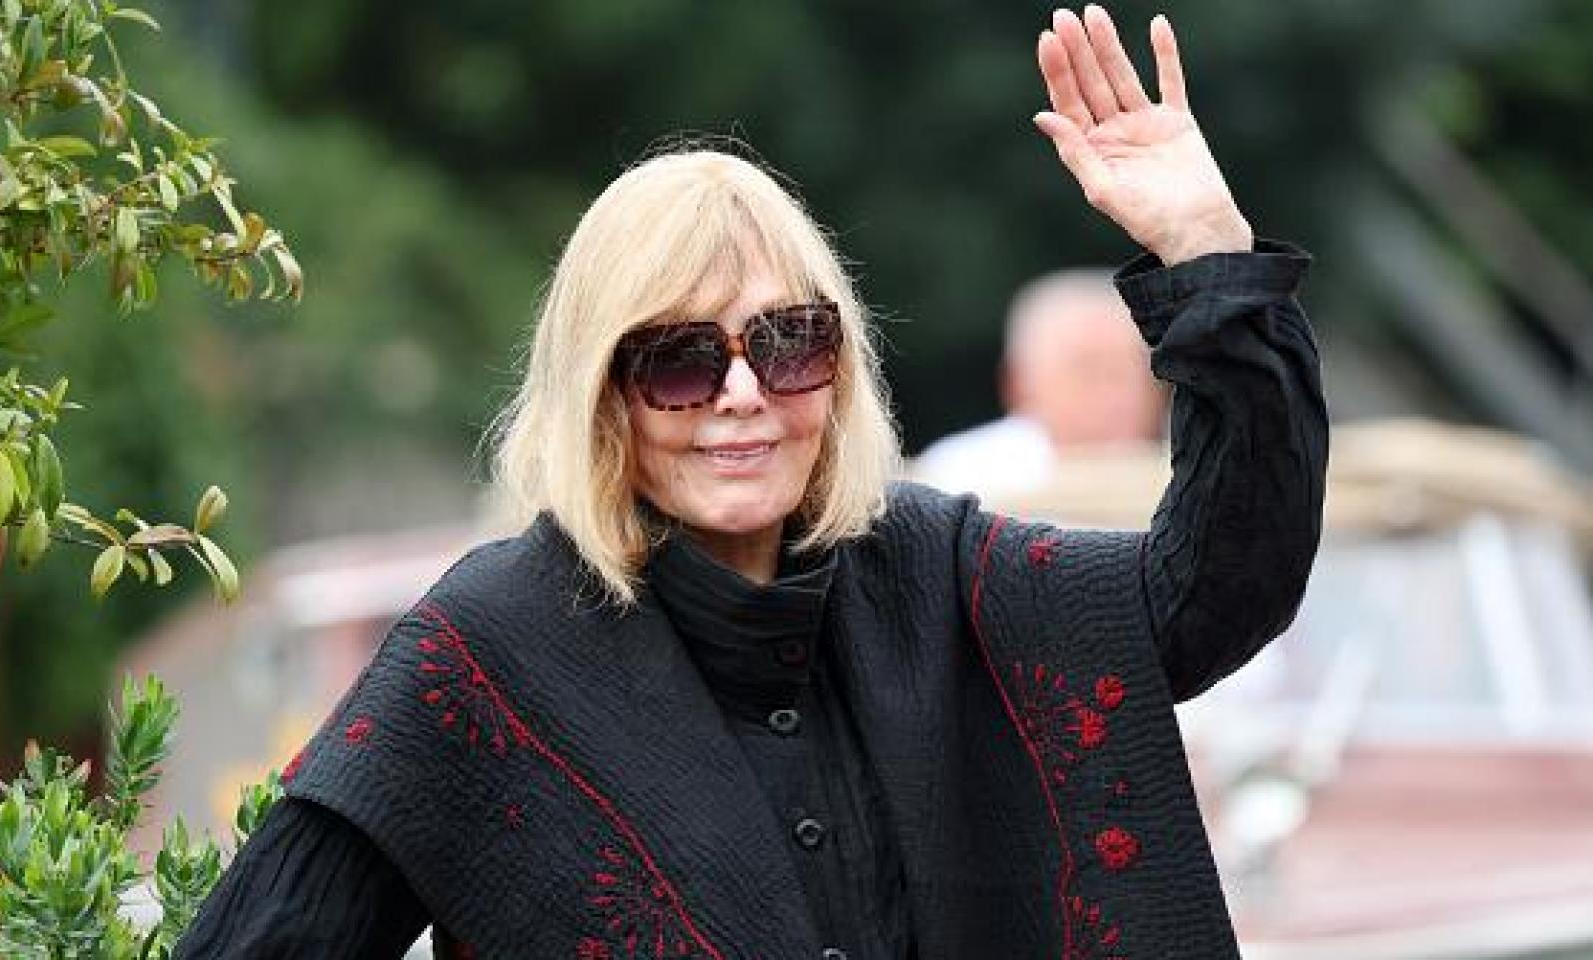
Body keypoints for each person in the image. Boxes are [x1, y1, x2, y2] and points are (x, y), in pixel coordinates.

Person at [175, 7, 1326, 959]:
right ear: (601, 394)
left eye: (785, 343)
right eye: (676, 358)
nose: (741, 395)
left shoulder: (940, 571)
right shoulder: (484, 653)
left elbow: (1217, 586)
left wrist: (1206, 254)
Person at [913, 268, 1168, 496]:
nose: (1112, 397)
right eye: (1087, 369)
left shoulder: (1189, 476)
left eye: (1125, 372)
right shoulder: (958, 477)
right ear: (1018, 384)